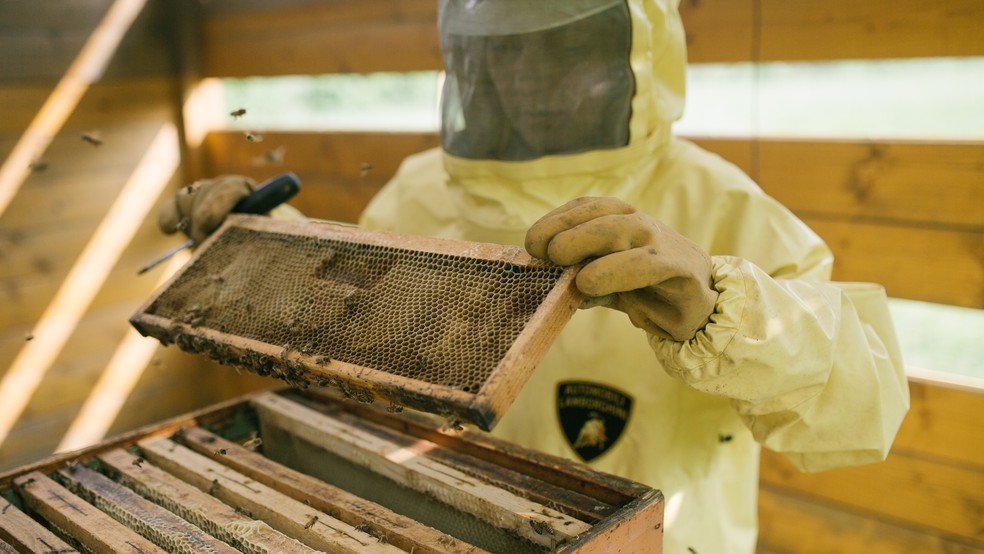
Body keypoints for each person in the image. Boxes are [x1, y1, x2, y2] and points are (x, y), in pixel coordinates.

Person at [158, 1, 910, 552]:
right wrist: (264, 245)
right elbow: (359, 326)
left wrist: (722, 309)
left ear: (634, 55)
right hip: (444, 526)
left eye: (565, 48)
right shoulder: (420, 192)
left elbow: (859, 418)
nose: (527, 77)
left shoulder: (724, 204)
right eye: (502, 52)